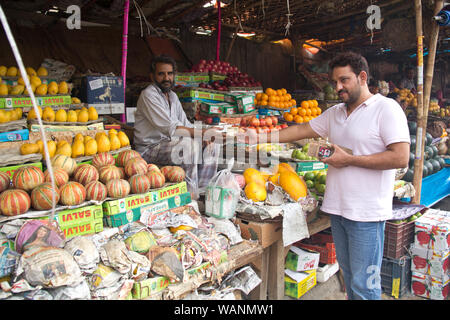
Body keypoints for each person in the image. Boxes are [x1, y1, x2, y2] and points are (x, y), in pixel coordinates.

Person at [239, 51, 410, 300]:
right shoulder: (336, 113)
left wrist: (349, 159)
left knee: (366, 285)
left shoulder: (386, 109)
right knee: (351, 278)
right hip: (339, 211)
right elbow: (301, 129)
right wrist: (261, 137)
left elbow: (400, 157)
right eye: (335, 82)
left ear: (362, 77)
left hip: (367, 215)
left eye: (344, 80)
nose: (338, 87)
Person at [133, 55, 221, 196]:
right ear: (152, 76)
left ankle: (205, 192)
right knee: (188, 146)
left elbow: (185, 124)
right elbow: (171, 128)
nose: (166, 78)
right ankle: (190, 197)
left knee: (212, 143)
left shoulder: (173, 96)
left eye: (170, 74)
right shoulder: (148, 95)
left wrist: (204, 135)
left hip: (169, 144)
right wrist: (202, 133)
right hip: (149, 149)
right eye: (161, 74)